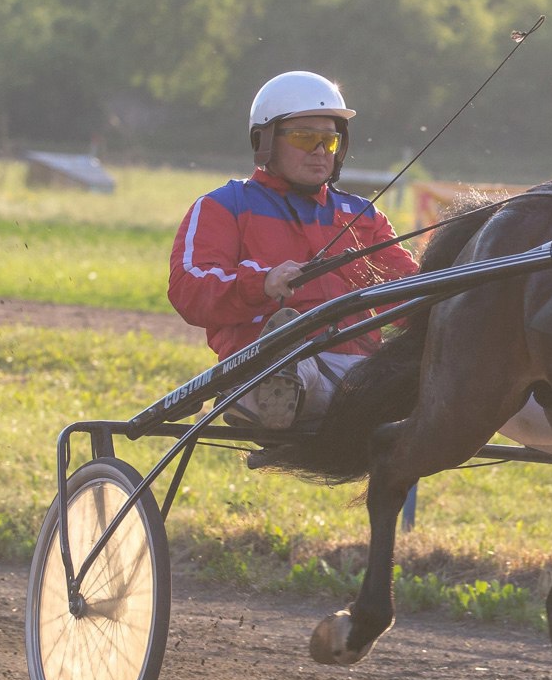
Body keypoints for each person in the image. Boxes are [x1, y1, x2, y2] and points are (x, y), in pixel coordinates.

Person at [169, 71, 419, 430]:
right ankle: (266, 388)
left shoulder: (362, 216)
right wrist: (263, 283)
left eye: (328, 141)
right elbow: (188, 288)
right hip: (265, 359)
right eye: (305, 138)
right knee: (290, 351)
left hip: (359, 372)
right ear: (266, 141)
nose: (319, 152)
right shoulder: (225, 206)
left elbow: (408, 293)